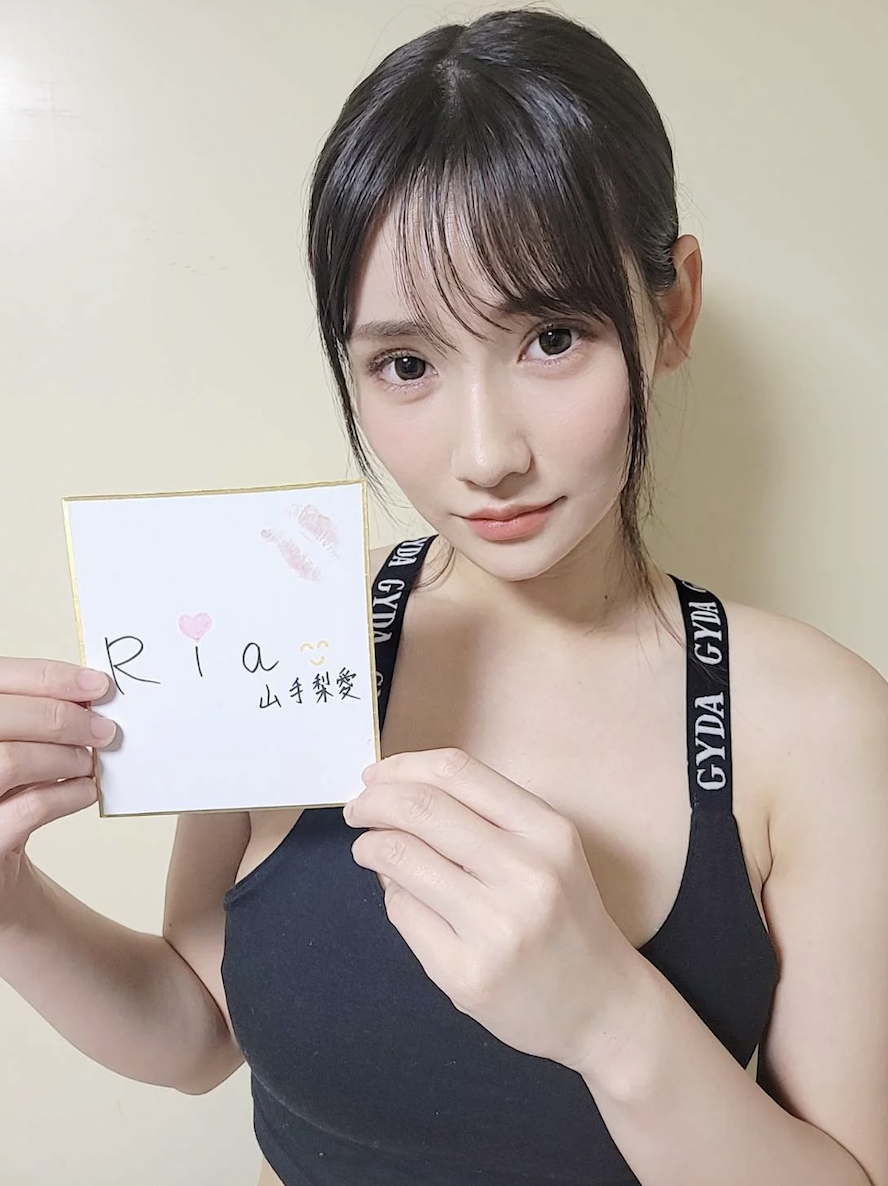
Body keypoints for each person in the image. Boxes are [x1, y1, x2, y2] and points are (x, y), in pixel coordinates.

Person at [1, 8, 885, 1186]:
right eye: (406, 364)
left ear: (672, 308)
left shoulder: (818, 728)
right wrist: (7, 898)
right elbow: (197, 1028)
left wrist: (608, 1014)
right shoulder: (291, 629)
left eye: (553, 336)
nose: (485, 455)